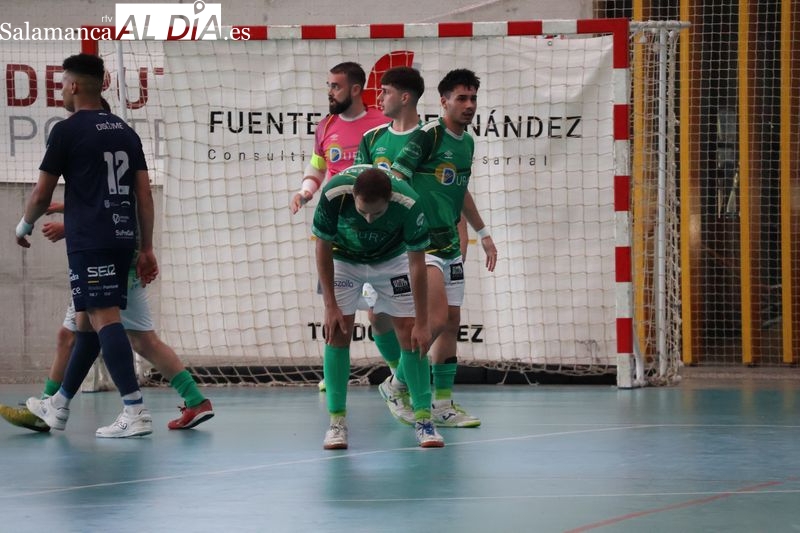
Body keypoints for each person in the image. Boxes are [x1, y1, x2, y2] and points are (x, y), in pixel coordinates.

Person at [14, 53, 157, 438]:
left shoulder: (67, 130)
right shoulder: (126, 132)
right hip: (123, 237)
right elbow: (144, 195)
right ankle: (58, 405)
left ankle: (135, 409)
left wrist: (24, 224)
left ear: (75, 86)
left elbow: (42, 194)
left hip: (90, 239)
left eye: (62, 84)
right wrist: (146, 247)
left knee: (104, 319)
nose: (61, 91)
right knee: (85, 324)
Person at [0, 213, 214, 433]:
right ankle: (195, 400)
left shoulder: (117, 198)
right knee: (141, 341)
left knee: (80, 333)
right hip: (120, 258)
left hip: (102, 262)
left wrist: (68, 226)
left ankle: (51, 408)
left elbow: (109, 207)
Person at [390, 68, 498, 428]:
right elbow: (396, 179)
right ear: (443, 101)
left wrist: (482, 232)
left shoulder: (467, 142)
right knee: (432, 321)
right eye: (461, 98)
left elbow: (459, 190)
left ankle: (443, 404)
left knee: (451, 322)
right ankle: (397, 385)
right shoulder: (428, 136)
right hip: (423, 245)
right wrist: (407, 225)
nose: (469, 105)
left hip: (450, 242)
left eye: (473, 98)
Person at [313, 164, 443, 449]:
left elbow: (417, 264)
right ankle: (336, 422)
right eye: (363, 212)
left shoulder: (409, 203)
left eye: (378, 213)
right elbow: (322, 246)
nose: (369, 219)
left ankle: (424, 420)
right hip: (345, 259)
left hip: (391, 260)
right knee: (338, 332)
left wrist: (422, 322)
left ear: (390, 198)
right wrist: (330, 305)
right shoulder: (334, 193)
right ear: (353, 196)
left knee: (410, 332)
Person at [353, 66, 426, 423]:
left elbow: (448, 190)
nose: (379, 98)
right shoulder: (373, 138)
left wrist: (474, 230)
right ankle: (400, 381)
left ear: (405, 97)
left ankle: (424, 402)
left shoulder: (429, 137)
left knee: (421, 323)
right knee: (376, 316)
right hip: (379, 246)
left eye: (385, 92)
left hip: (419, 243)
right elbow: (359, 188)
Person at [289, 61, 388, 214]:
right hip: (338, 214)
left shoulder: (385, 123)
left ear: (355, 89)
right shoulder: (325, 126)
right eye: (329, 86)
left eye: (336, 87)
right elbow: (317, 166)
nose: (330, 93)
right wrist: (305, 191)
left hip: (377, 214)